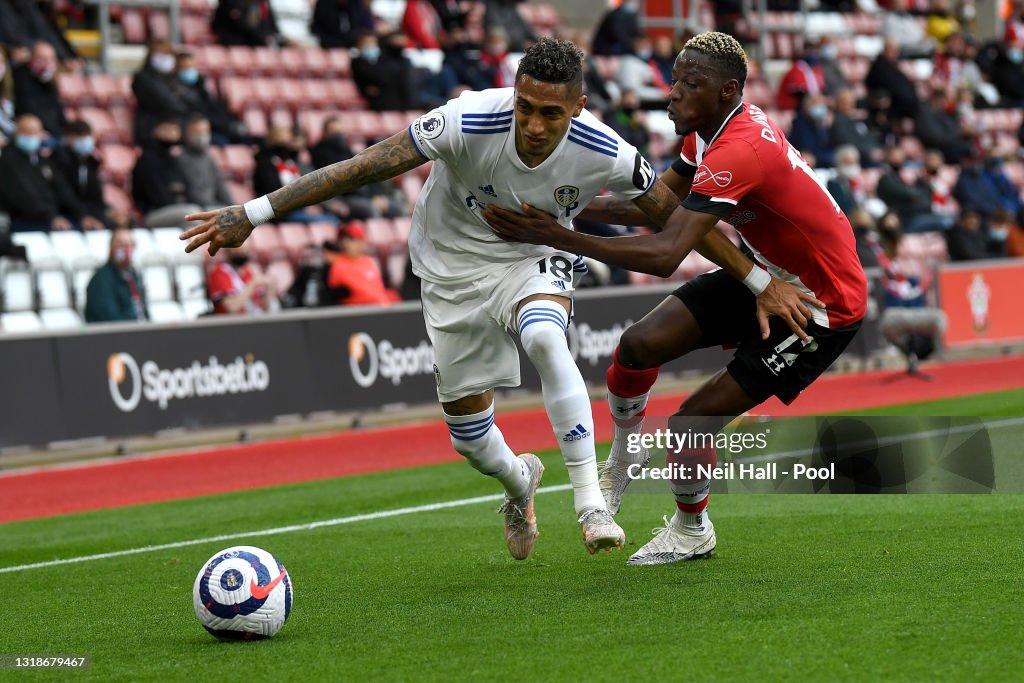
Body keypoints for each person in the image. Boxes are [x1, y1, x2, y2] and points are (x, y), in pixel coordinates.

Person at [183, 37, 811, 561]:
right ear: (514, 95)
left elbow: (673, 220)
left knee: (544, 336)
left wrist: (758, 279)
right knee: (469, 437)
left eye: (552, 114)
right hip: (451, 266)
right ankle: (519, 481)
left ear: (579, 108)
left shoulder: (606, 150)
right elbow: (363, 166)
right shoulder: (465, 119)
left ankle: (591, 503)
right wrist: (254, 210)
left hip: (531, 257)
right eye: (527, 107)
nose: (536, 126)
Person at [482, 32, 868, 566]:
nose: (674, 93)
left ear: (727, 91)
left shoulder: (738, 150)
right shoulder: (706, 133)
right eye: (675, 79)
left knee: (691, 422)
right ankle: (622, 456)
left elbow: (667, 252)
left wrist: (557, 233)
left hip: (818, 307)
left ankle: (693, 529)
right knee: (636, 347)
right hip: (768, 278)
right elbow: (655, 206)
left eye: (692, 84)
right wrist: (565, 207)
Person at [0, 114, 100, 232]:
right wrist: (51, 217)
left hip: (49, 217)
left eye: (35, 132)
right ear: (16, 134)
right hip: (23, 219)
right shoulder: (8, 160)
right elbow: (22, 195)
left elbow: (62, 189)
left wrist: (82, 215)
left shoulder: (43, 160)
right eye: (27, 132)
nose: (31, 136)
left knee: (89, 228)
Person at [132, 116, 203, 227]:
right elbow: (156, 196)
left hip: (178, 208)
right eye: (166, 129)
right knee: (192, 213)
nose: (171, 134)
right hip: (153, 213)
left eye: (174, 130)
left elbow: (188, 188)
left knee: (216, 213)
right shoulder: (147, 159)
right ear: (156, 131)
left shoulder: (174, 158)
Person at [325, 221, 400, 305]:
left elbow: (378, 290)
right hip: (360, 311)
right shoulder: (338, 265)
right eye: (343, 240)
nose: (347, 243)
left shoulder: (369, 261)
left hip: (381, 307)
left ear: (362, 243)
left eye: (352, 239)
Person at [54, 119, 111, 229]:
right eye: (80, 137)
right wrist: (83, 216)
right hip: (68, 213)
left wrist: (107, 210)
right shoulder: (59, 161)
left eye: (87, 137)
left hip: (88, 211)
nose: (85, 142)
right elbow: (65, 195)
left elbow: (95, 195)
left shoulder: (90, 162)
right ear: (69, 138)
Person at [84, 228, 149, 323]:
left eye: (131, 245)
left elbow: (143, 311)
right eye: (122, 245)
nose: (128, 249)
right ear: (111, 248)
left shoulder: (134, 275)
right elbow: (110, 320)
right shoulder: (100, 280)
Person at [11, 40, 66, 138]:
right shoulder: (20, 76)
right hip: (33, 132)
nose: (47, 63)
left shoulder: (49, 81)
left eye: (51, 59)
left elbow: (57, 109)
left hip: (53, 133)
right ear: (31, 58)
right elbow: (27, 107)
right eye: (42, 58)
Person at [178, 115, 233, 209]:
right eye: (197, 132)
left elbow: (220, 186)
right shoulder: (180, 160)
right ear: (187, 134)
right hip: (195, 209)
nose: (202, 136)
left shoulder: (209, 158)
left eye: (205, 132)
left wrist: (232, 207)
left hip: (213, 206)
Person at [207, 241, 278, 314]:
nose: (242, 255)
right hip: (231, 323)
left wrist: (270, 289)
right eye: (238, 252)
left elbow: (263, 307)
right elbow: (231, 307)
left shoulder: (247, 272)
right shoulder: (219, 273)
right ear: (227, 251)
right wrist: (252, 284)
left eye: (245, 252)